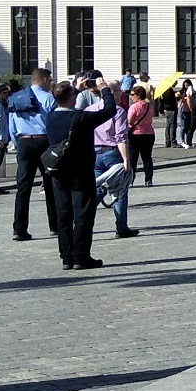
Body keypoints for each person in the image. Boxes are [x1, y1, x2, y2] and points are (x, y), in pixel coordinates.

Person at [45, 86, 112, 270]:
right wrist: (104, 89)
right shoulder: (80, 117)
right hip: (80, 171)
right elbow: (109, 110)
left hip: (58, 170)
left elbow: (58, 99)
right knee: (83, 213)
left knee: (64, 215)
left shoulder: (50, 117)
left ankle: (66, 257)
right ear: (72, 98)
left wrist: (73, 88)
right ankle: (81, 256)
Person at [6, 69, 57, 241]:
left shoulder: (17, 97)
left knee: (23, 188)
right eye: (49, 79)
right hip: (44, 142)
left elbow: (11, 125)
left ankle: (19, 229)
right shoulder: (49, 98)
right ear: (43, 80)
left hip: (24, 142)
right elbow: (53, 123)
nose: (50, 82)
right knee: (51, 184)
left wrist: (17, 142)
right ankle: (55, 225)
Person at [95, 85, 137, 240]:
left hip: (95, 152)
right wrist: (127, 159)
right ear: (112, 92)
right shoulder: (118, 111)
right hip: (112, 152)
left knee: (97, 188)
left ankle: (83, 221)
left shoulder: (91, 108)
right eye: (119, 90)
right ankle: (121, 227)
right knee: (119, 189)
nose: (122, 93)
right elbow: (121, 137)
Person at [127, 82, 156, 187]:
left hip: (136, 134)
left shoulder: (134, 107)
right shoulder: (149, 106)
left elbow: (129, 121)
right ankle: (148, 179)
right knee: (147, 157)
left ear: (138, 95)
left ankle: (130, 180)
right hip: (149, 134)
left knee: (132, 158)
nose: (131, 97)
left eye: (132, 94)